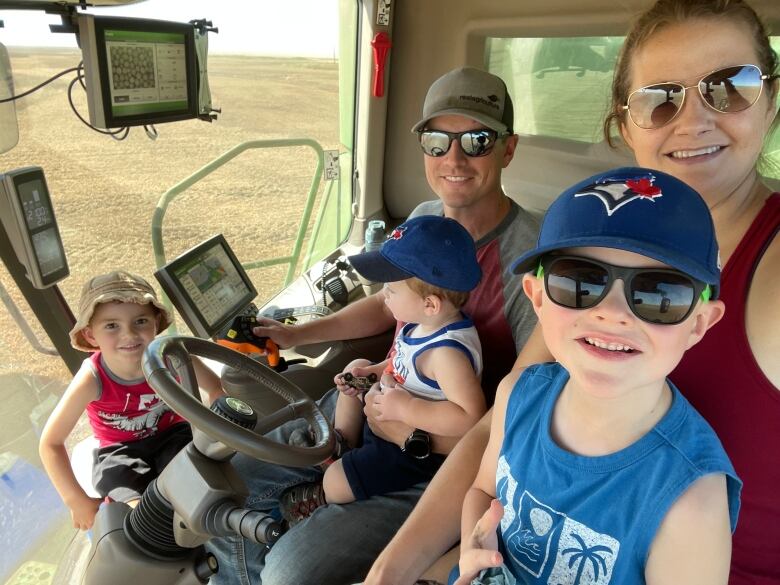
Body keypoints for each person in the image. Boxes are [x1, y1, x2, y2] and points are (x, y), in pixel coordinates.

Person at [364, 1, 779, 583]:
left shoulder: (694, 492)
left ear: (772, 98)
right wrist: (391, 572)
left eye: (729, 88)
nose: (693, 121)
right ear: (624, 121)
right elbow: (499, 433)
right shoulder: (562, 326)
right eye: (660, 98)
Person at [206, 66, 546, 585]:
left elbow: (517, 405)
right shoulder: (428, 214)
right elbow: (389, 303)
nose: (453, 159)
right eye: (437, 141)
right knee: (227, 488)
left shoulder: (530, 256)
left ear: (509, 147)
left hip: (438, 456)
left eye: (477, 139)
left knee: (288, 572)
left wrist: (409, 429)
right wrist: (298, 334)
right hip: (377, 404)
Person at [454, 167, 740, 585]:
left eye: (659, 295)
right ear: (537, 298)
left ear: (698, 325)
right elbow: (483, 491)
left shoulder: (690, 501)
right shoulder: (517, 394)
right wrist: (472, 550)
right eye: (579, 282)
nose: (613, 313)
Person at [285, 215, 486, 515]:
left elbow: (471, 418)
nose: (385, 297)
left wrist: (406, 409)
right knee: (357, 364)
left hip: (410, 447)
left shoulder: (447, 355)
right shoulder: (421, 326)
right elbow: (401, 362)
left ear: (430, 304)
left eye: (390, 291)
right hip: (391, 406)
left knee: (336, 480)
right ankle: (342, 444)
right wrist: (372, 373)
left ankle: (323, 493)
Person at [39, 271, 223, 530]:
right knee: (131, 508)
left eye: (140, 321)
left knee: (198, 480)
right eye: (112, 325)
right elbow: (50, 443)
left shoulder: (171, 355)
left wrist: (217, 433)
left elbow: (216, 389)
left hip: (173, 435)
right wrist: (75, 500)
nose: (129, 335)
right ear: (91, 335)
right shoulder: (92, 378)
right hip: (119, 450)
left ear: (156, 322)